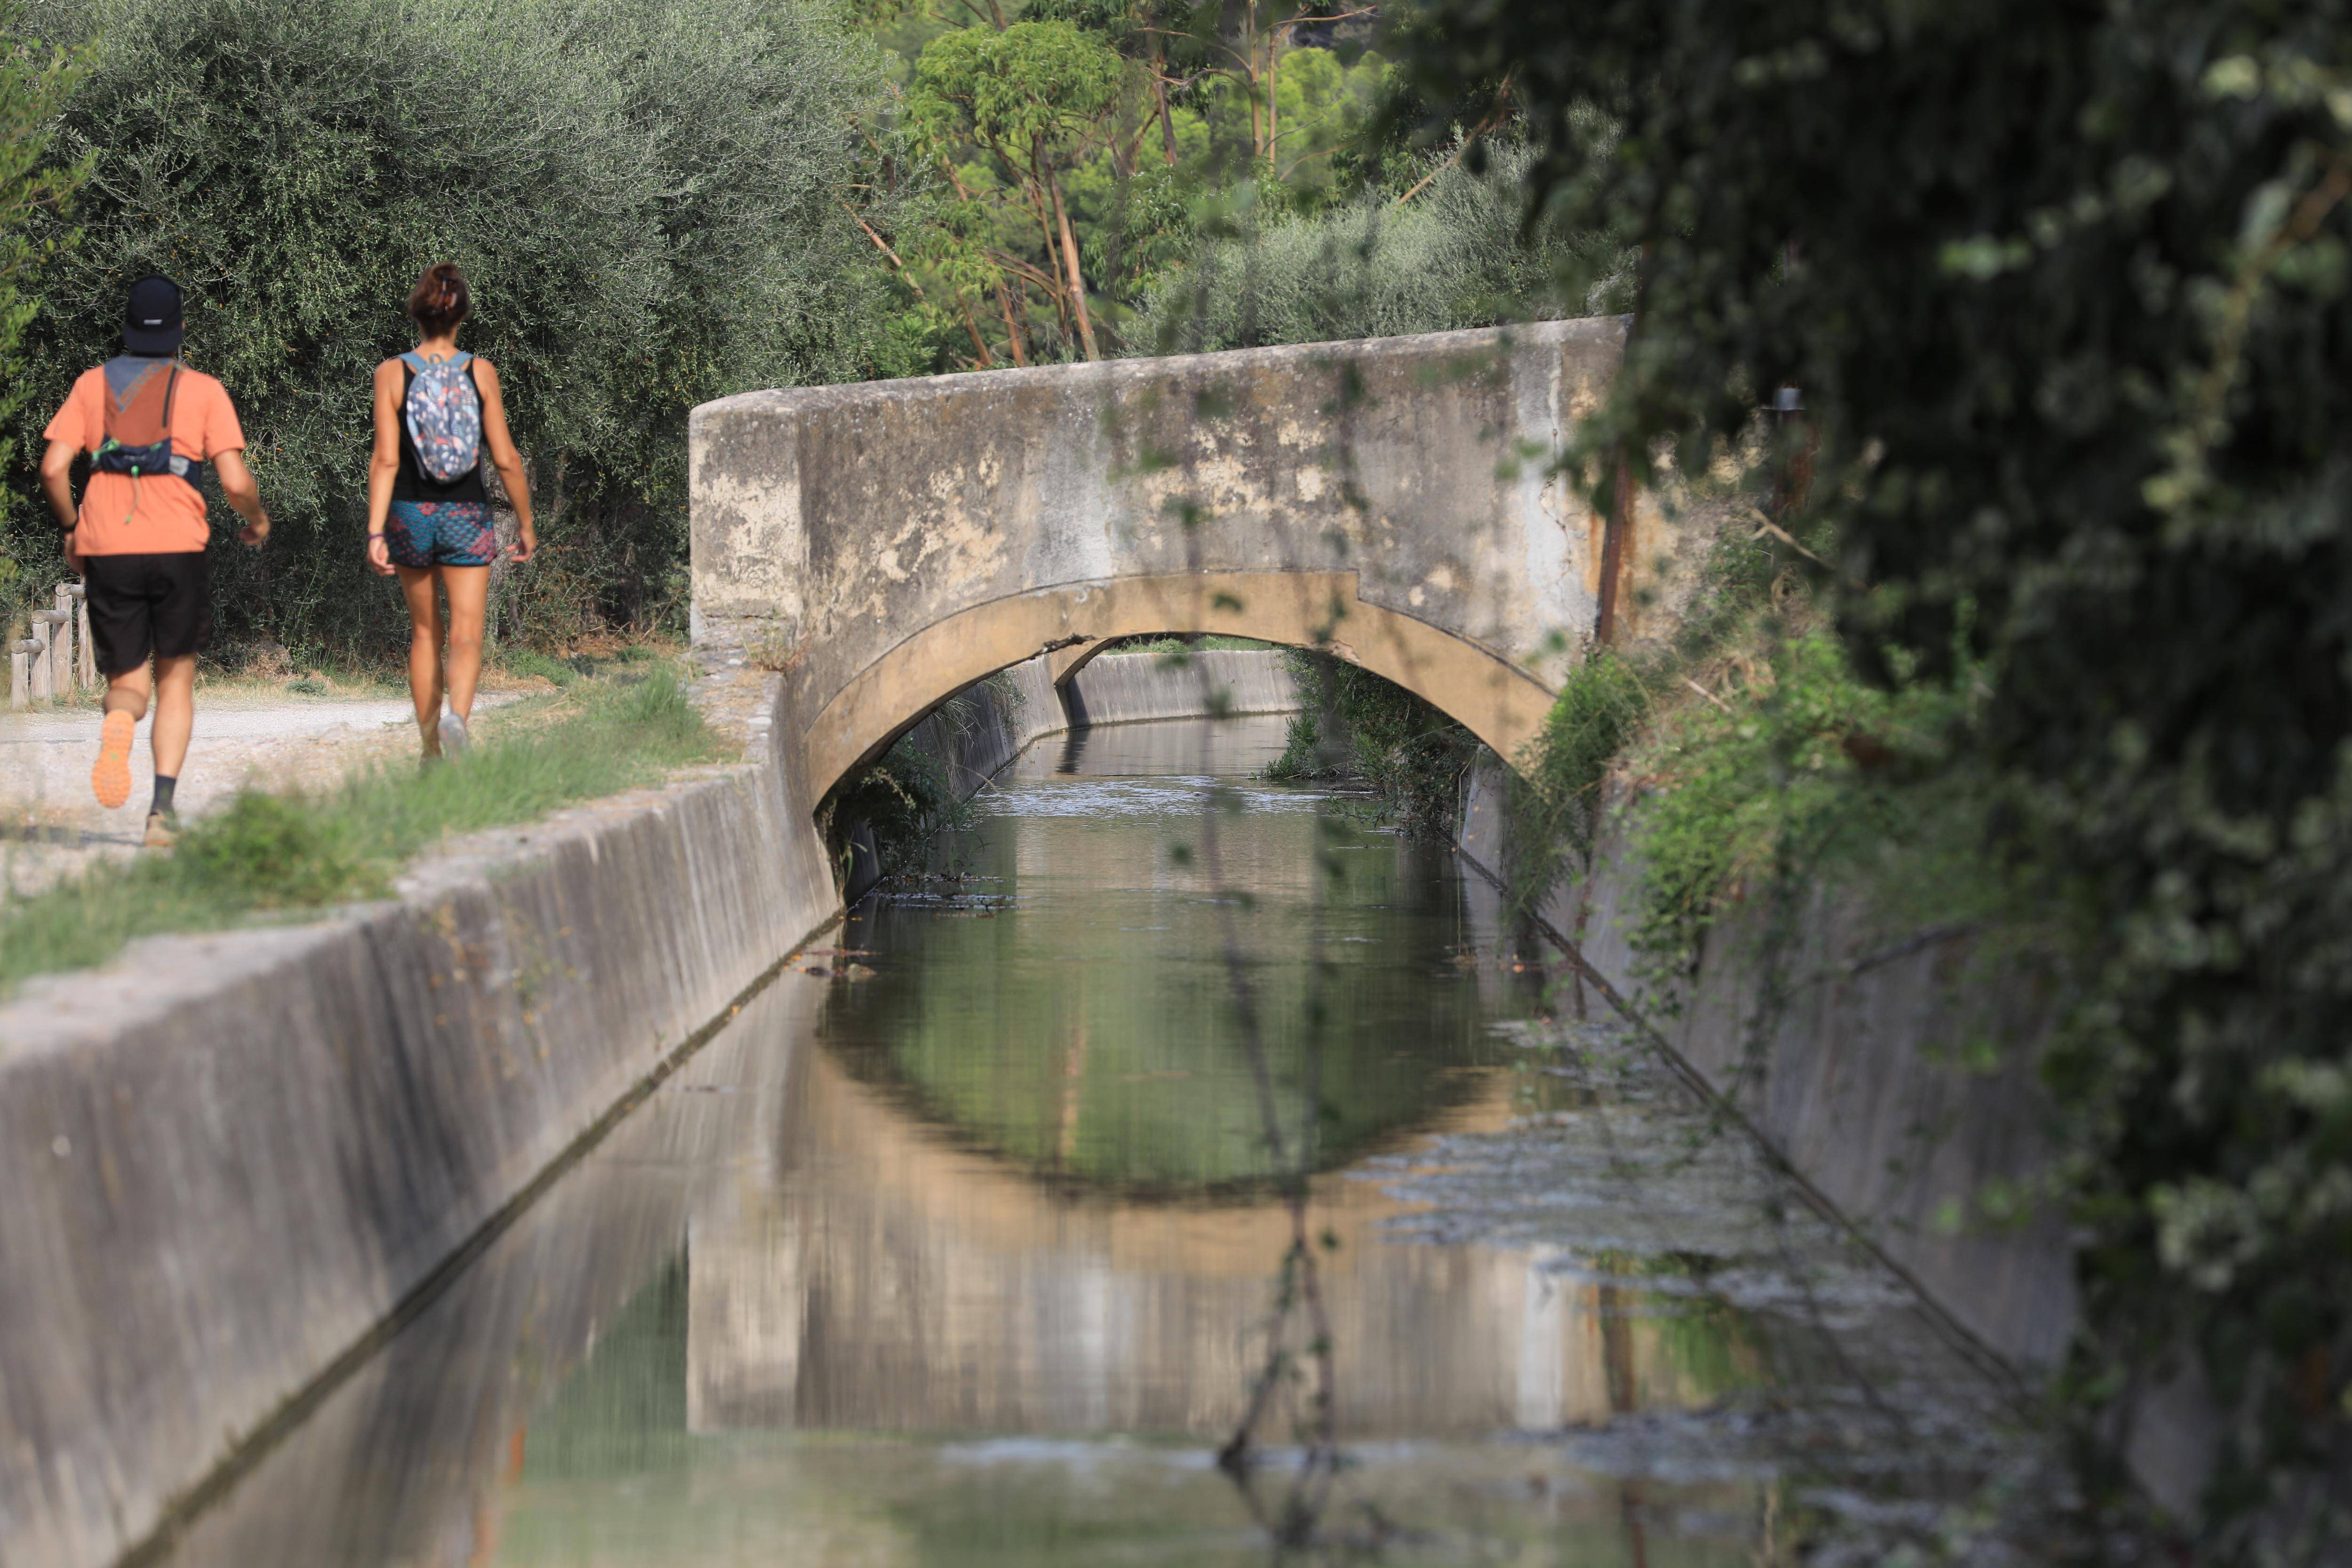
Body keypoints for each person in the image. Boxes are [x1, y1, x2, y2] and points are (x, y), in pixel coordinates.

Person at [39, 274, 270, 849]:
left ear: (126, 328)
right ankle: (161, 814)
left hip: (108, 548)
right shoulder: (203, 390)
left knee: (128, 683)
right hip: (178, 546)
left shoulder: (92, 385)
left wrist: (71, 529)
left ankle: (120, 720)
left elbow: (53, 468)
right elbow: (235, 481)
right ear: (180, 330)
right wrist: (257, 519)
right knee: (176, 680)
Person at [366, 262, 534, 758]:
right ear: (461, 316)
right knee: (466, 634)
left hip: (409, 514)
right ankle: (456, 719)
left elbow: (385, 459)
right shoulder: (480, 372)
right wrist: (525, 522)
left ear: (416, 314)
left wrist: (375, 531)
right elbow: (506, 458)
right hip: (465, 514)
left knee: (424, 633)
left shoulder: (391, 373)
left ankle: (429, 752)